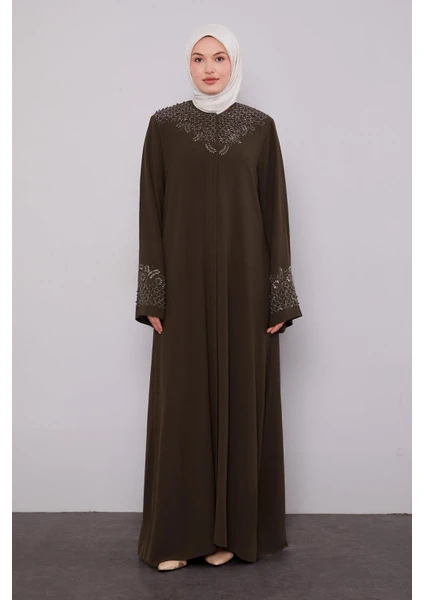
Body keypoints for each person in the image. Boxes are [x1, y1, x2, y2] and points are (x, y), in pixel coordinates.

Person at [135, 23, 303, 572]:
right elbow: (151, 210)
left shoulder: (260, 129)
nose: (209, 68)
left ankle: (229, 534)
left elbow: (275, 214)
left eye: (219, 58)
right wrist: (153, 294)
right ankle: (177, 538)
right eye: (199, 58)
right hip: (182, 289)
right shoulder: (163, 127)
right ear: (188, 66)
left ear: (234, 64)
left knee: (238, 401)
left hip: (246, 288)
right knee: (183, 407)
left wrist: (279, 299)